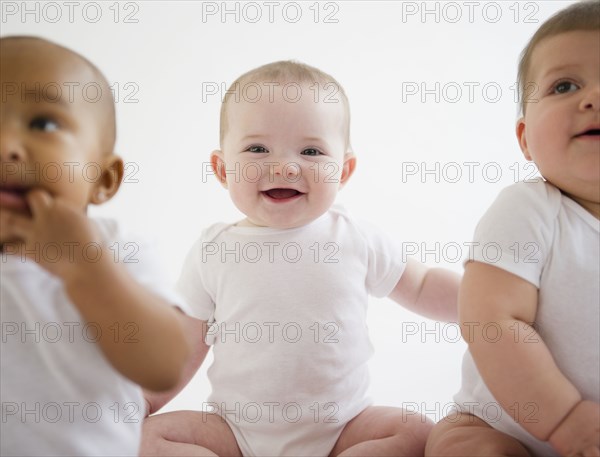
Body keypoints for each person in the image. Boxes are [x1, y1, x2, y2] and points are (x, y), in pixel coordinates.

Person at [141, 60, 460, 457]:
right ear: (222, 169)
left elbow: (423, 284)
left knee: (415, 432)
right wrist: (141, 404)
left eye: (311, 151)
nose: (285, 165)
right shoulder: (214, 249)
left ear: (343, 171)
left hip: (342, 428)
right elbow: (183, 347)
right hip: (235, 433)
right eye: (257, 148)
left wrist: (490, 303)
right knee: (144, 437)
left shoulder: (355, 238)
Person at [0, 36, 190, 456]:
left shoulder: (115, 249)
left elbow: (162, 365)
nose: (5, 146)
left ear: (103, 180)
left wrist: (83, 266)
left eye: (43, 124)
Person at [425, 2, 600, 456]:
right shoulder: (530, 209)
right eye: (565, 85)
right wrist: (566, 420)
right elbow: (491, 322)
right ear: (525, 138)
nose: (593, 97)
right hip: (499, 425)